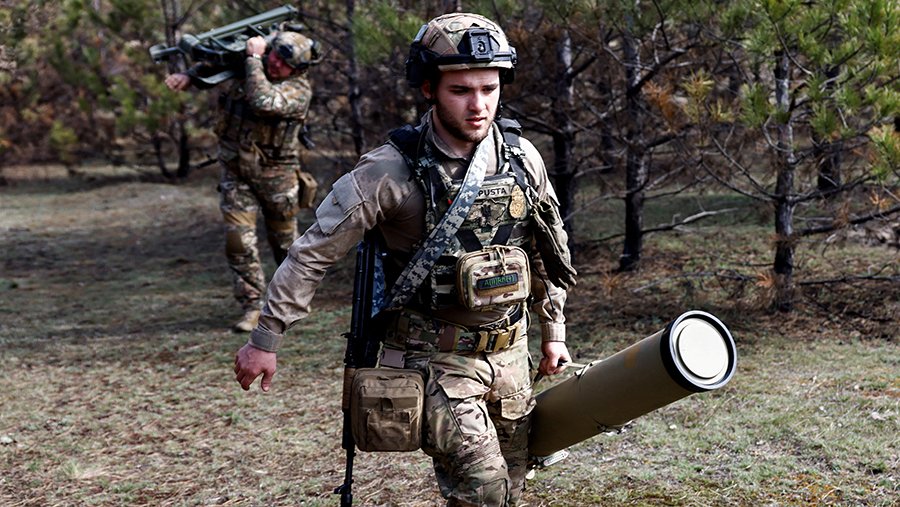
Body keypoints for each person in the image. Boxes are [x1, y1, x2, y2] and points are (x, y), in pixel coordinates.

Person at [233, 13, 574, 506]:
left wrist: (553, 331)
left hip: (510, 357)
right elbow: (311, 253)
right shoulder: (389, 171)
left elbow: (547, 252)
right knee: (485, 488)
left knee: (511, 488)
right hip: (434, 362)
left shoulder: (522, 158)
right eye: (461, 91)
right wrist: (266, 338)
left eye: (489, 88)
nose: (479, 105)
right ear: (429, 89)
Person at [166, 30, 320, 332]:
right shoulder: (251, 65)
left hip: (277, 177)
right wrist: (189, 76)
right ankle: (252, 307)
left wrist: (254, 58)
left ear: (299, 70)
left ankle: (293, 300)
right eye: (274, 55)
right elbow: (216, 63)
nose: (275, 64)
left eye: (284, 63)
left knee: (285, 243)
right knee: (238, 242)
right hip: (236, 172)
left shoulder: (298, 90)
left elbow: (264, 100)